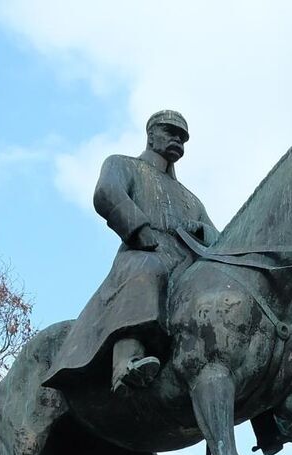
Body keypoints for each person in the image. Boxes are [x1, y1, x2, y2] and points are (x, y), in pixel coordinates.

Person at [45, 110, 218, 394]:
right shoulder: (122, 165)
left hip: (185, 263)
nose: (177, 139)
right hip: (143, 251)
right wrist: (139, 229)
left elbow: (220, 241)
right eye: (170, 132)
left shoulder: (191, 199)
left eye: (182, 137)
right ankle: (125, 362)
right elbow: (107, 192)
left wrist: (203, 231)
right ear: (151, 135)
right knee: (147, 269)